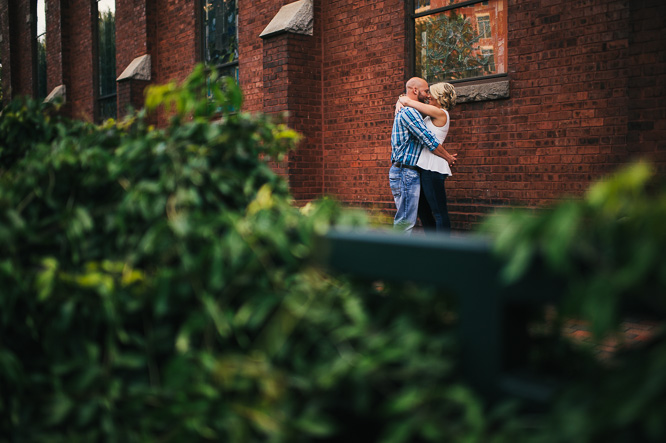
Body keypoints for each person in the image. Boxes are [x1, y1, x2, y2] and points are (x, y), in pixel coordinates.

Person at [390, 77, 456, 233]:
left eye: (430, 93)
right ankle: (431, 247)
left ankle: (442, 249)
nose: (428, 96)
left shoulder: (440, 112)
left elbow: (411, 103)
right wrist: (401, 100)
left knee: (438, 212)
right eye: (426, 92)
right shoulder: (426, 111)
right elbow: (410, 102)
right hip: (422, 167)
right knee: (424, 213)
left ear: (438, 96)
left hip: (433, 167)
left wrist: (403, 100)